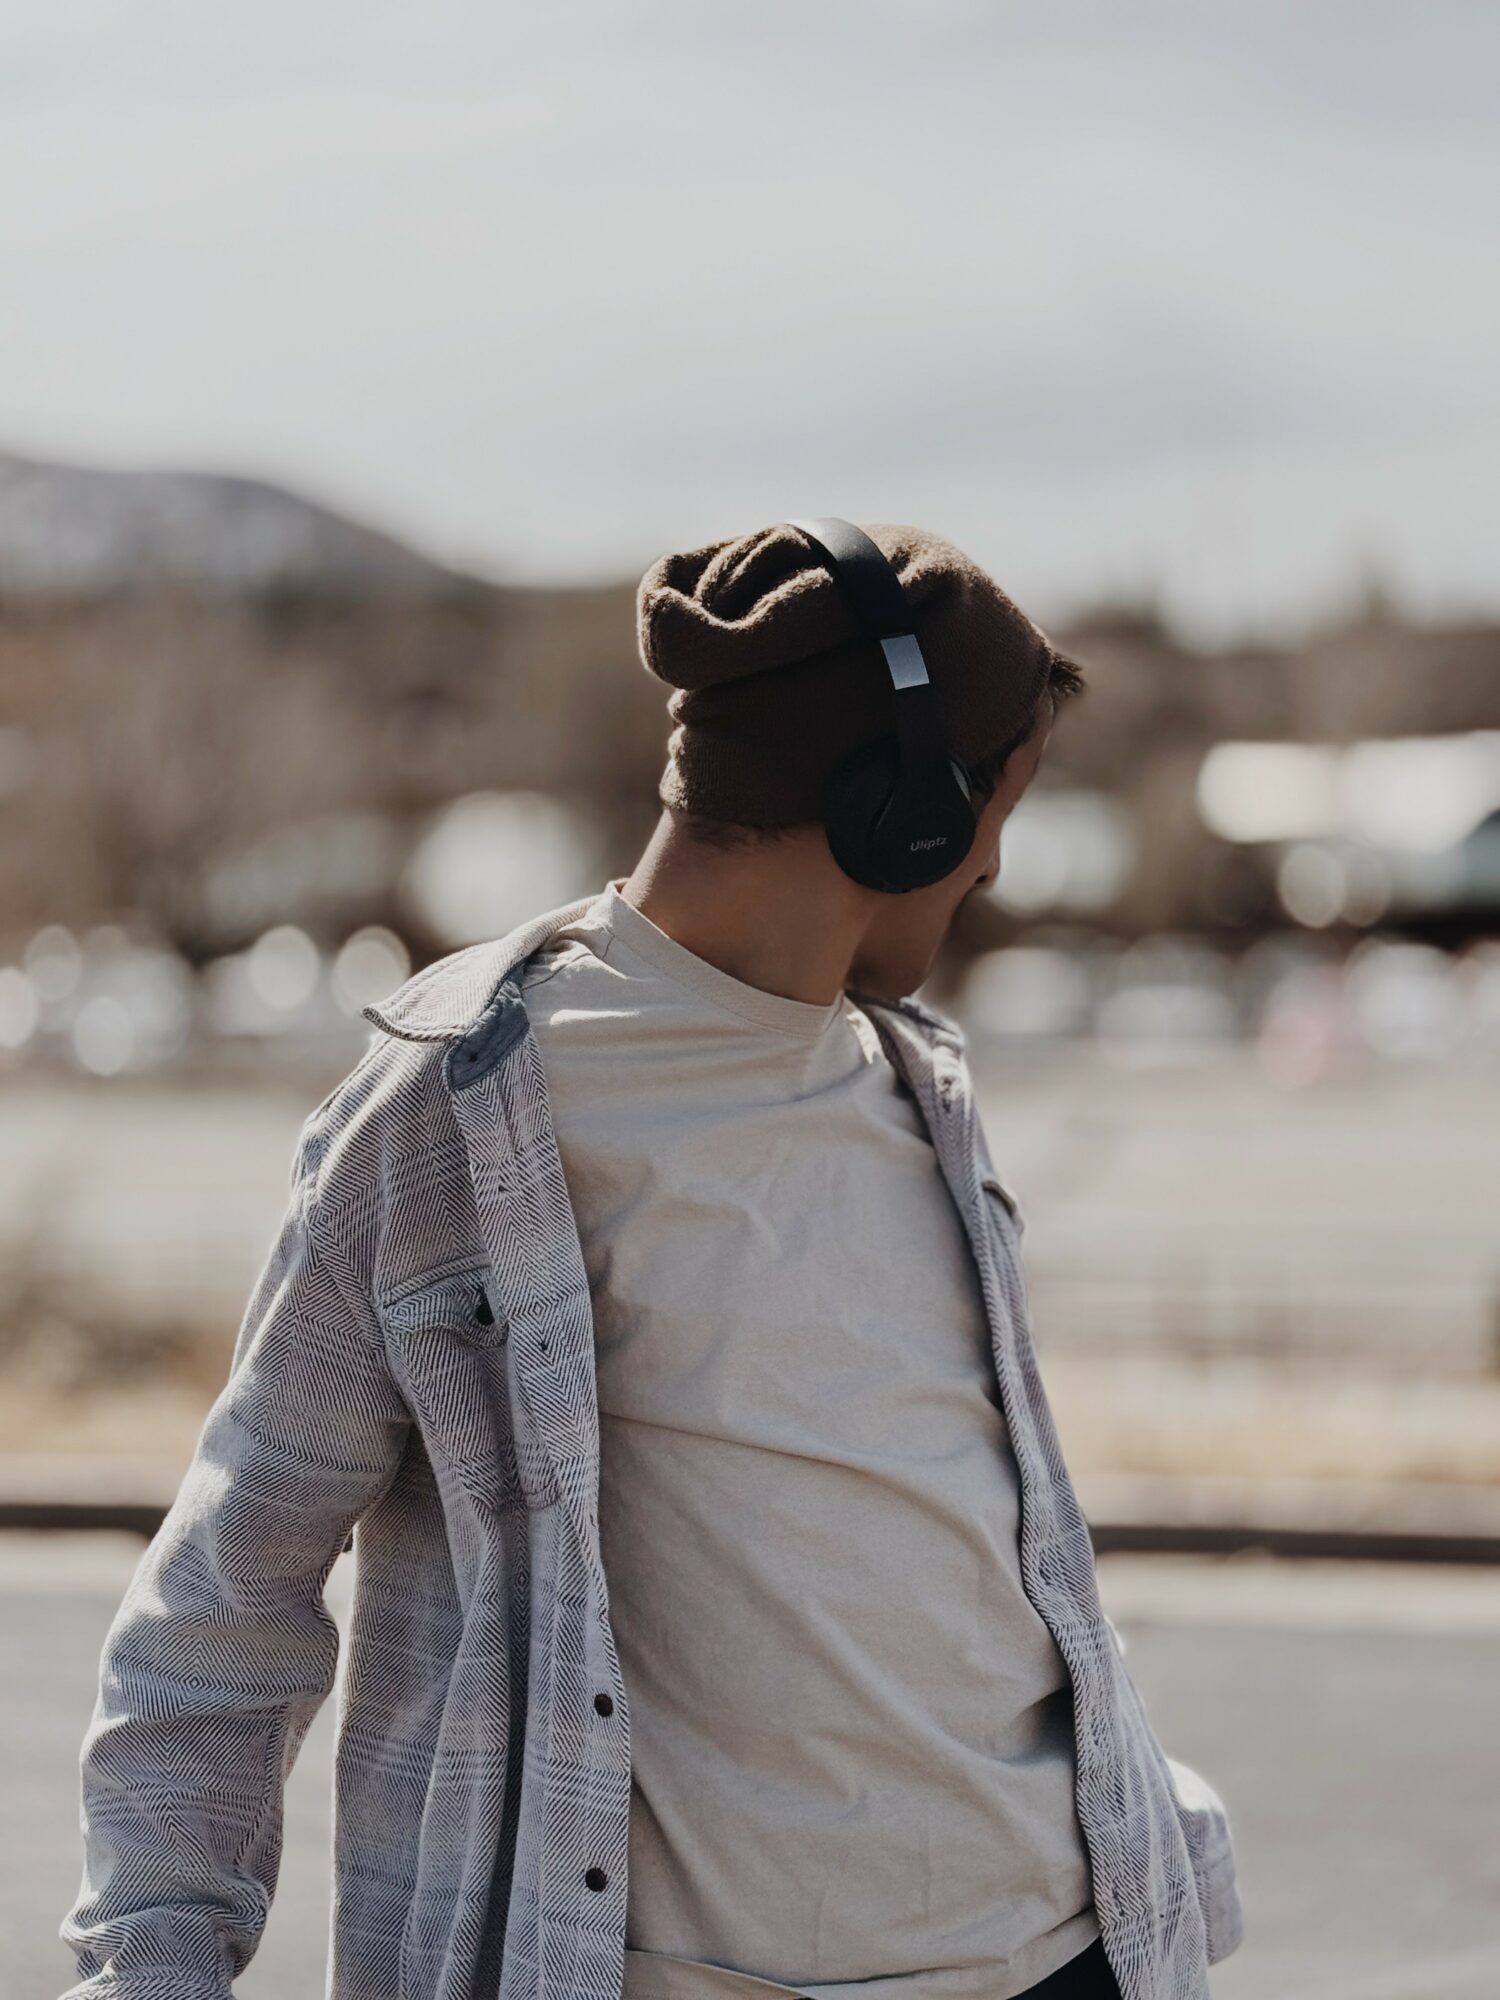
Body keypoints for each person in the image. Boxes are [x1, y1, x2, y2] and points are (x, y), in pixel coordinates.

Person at [59, 521, 1242, 2000]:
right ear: (912, 816)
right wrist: (155, 1967)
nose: (997, 862)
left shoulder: (920, 1086)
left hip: (1074, 1961)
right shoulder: (459, 1100)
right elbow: (225, 1606)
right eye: (1002, 805)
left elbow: (976, 1553)